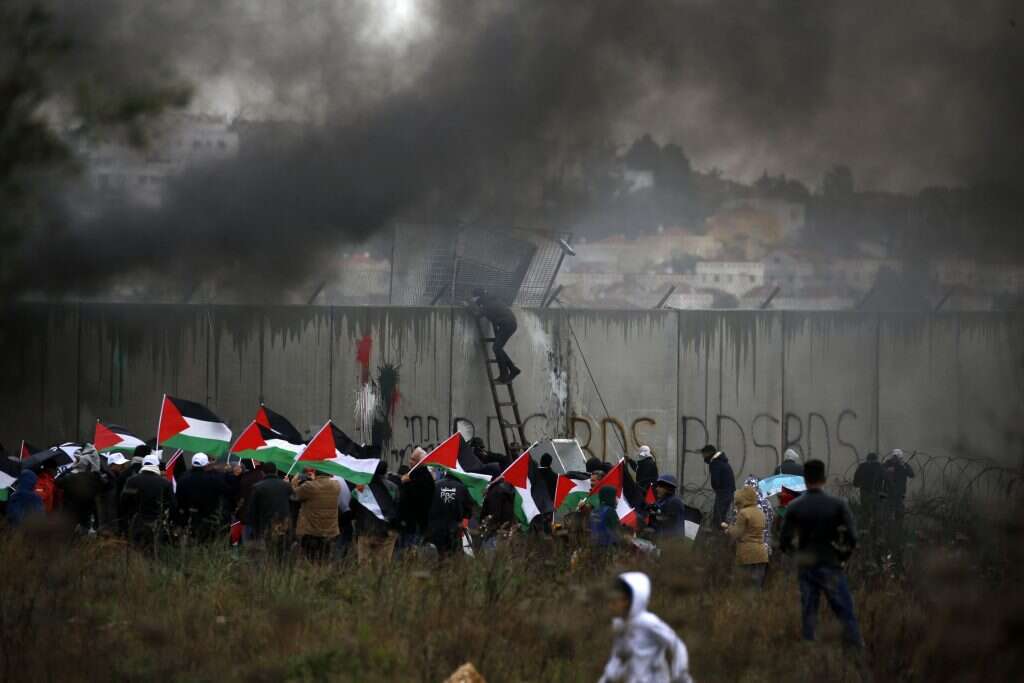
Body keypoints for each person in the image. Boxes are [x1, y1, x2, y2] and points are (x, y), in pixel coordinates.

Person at [779, 459, 862, 648]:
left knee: (809, 613)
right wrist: (842, 558)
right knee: (845, 611)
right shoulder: (837, 505)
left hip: (807, 567)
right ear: (823, 478)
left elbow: (784, 541)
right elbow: (853, 537)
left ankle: (809, 654)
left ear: (805, 479)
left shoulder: (795, 507)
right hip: (830, 564)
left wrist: (797, 556)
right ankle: (855, 652)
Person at [599, 572, 693, 683]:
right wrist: (607, 678)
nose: (611, 606)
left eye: (616, 602)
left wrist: (680, 674)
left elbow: (676, 644)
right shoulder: (619, 625)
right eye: (611, 601)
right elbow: (618, 656)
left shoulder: (648, 622)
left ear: (628, 601)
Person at [120, 457, 176, 549]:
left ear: (143, 465)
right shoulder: (165, 483)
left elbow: (124, 501)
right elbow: (173, 505)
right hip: (157, 521)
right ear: (157, 466)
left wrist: (127, 518)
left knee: (136, 549)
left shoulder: (132, 481)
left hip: (136, 520)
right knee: (154, 550)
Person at [175, 453, 230, 543]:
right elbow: (226, 491)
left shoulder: (183, 477)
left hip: (188, 516)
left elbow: (179, 498)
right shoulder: (213, 478)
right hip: (209, 517)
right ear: (206, 464)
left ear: (192, 464)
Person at [723, 486, 770, 588]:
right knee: (756, 588)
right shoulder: (760, 513)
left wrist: (728, 529)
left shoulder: (744, 513)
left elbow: (737, 533)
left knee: (743, 587)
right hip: (761, 554)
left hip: (747, 554)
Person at [470, 288, 520, 384]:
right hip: (509, 323)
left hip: (507, 325)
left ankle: (505, 374)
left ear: (479, 297)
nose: (474, 301)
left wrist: (469, 307)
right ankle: (513, 370)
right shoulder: (489, 299)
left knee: (497, 348)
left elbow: (477, 314)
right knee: (498, 348)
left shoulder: (487, 304)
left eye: (474, 298)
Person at [292, 469, 341, 561]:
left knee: (311, 559)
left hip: (312, 530)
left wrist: (293, 483)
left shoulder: (310, 486)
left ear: (315, 473)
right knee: (325, 558)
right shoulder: (336, 485)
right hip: (330, 529)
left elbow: (294, 495)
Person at [247, 462, 293, 556]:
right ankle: (281, 567)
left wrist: (254, 527)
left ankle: (271, 567)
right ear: (276, 471)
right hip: (283, 522)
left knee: (269, 549)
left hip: (265, 522)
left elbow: (252, 509)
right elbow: (293, 500)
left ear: (263, 473)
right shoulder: (286, 485)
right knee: (282, 548)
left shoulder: (257, 487)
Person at [427, 470, 473, 555]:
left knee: (437, 554)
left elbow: (428, 505)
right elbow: (468, 509)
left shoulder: (436, 485)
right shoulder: (462, 488)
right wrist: (464, 525)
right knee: (452, 555)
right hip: (454, 528)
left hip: (436, 527)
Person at [57, 449, 104, 531]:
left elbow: (57, 481)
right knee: (84, 537)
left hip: (70, 514)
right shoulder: (94, 478)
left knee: (69, 537)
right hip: (87, 514)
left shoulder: (70, 478)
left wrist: (70, 468)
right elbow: (102, 480)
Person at [399, 448, 435, 547]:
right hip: (415, 522)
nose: (410, 462)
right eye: (410, 459)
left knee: (411, 549)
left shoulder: (420, 477)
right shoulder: (415, 475)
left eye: (413, 459)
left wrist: (405, 484)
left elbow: (414, 499)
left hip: (415, 522)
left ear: (421, 462)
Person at [852, 452, 886, 538]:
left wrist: (858, 484)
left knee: (866, 513)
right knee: (878, 515)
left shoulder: (862, 466)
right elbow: (887, 480)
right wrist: (885, 494)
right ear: (876, 459)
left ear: (867, 459)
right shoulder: (880, 466)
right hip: (877, 494)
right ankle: (877, 536)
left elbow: (855, 482)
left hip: (865, 493)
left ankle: (865, 534)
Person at [702, 444, 735, 527]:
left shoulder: (715, 463)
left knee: (718, 517)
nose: (704, 458)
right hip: (729, 491)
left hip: (723, 492)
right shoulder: (722, 461)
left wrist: (716, 488)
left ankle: (718, 536)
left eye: (704, 455)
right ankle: (723, 534)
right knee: (723, 515)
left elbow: (715, 480)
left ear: (709, 453)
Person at [647, 474, 687, 539]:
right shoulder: (661, 501)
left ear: (668, 488)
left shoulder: (674, 501)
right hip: (661, 538)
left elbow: (667, 520)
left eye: (660, 486)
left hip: (672, 541)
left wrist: (654, 514)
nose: (657, 488)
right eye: (657, 486)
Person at [590, 485, 623, 550]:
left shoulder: (594, 511)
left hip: (594, 547)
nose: (616, 500)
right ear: (609, 497)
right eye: (614, 497)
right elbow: (617, 530)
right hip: (608, 548)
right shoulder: (610, 511)